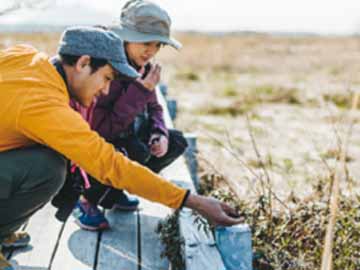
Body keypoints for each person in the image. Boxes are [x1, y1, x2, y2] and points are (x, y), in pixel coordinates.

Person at [0, 26, 242, 270]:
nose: (105, 90)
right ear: (84, 63)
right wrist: (194, 202)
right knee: (48, 168)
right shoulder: (44, 103)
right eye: (106, 78)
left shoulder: (27, 56)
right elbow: (110, 165)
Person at [70, 0, 189, 231]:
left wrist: (158, 133)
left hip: (123, 138)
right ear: (125, 36)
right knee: (135, 151)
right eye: (145, 42)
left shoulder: (143, 67)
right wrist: (140, 91)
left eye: (157, 46)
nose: (151, 51)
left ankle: (114, 192)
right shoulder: (103, 68)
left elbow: (154, 107)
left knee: (175, 142)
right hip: (92, 150)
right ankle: (85, 199)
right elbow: (100, 128)